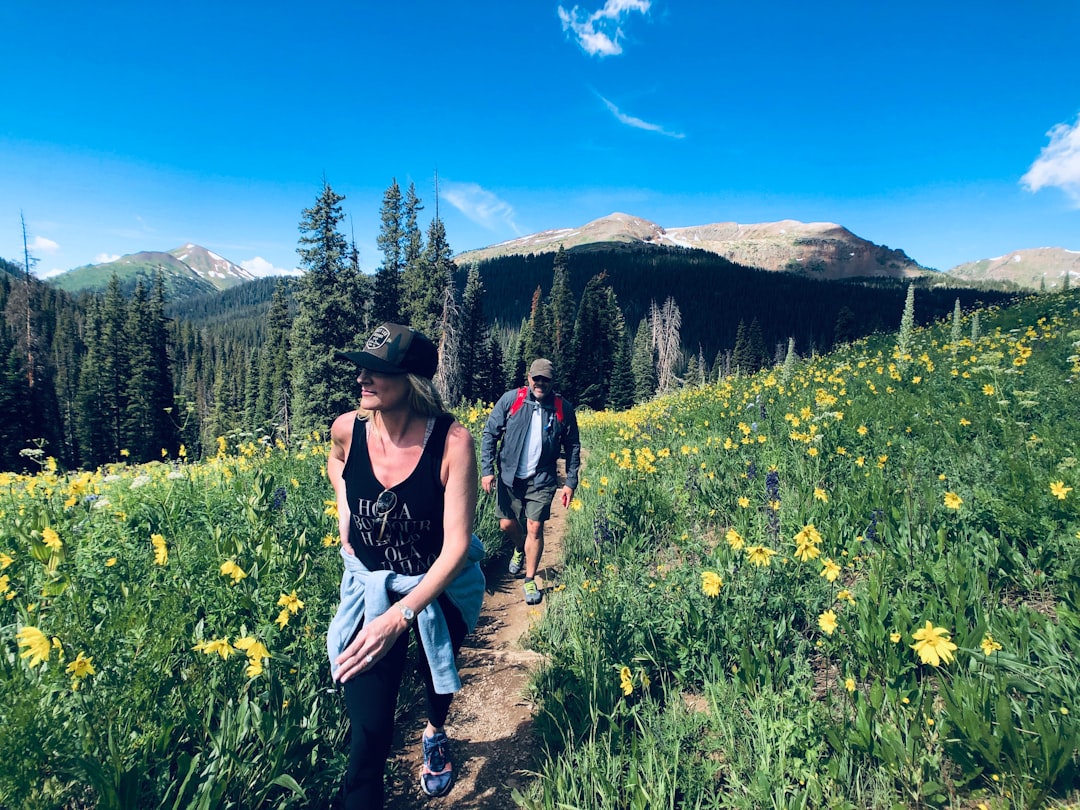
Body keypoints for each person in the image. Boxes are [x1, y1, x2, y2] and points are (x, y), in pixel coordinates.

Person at [326, 322, 485, 808]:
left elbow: (457, 547)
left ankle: (435, 731)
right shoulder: (347, 428)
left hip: (439, 588)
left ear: (413, 381)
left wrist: (401, 616)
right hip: (370, 591)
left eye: (377, 370)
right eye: (361, 368)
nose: (362, 379)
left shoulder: (452, 442)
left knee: (436, 674)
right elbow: (336, 462)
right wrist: (345, 503)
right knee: (367, 741)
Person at [480, 358, 581, 605]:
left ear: (551, 381)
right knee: (506, 524)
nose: (540, 383)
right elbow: (490, 434)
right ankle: (519, 547)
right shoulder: (512, 400)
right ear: (529, 378)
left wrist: (570, 481)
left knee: (535, 528)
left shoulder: (562, 408)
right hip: (509, 476)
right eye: (537, 378)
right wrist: (486, 470)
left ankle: (530, 579)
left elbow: (573, 446)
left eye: (545, 379)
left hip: (542, 478)